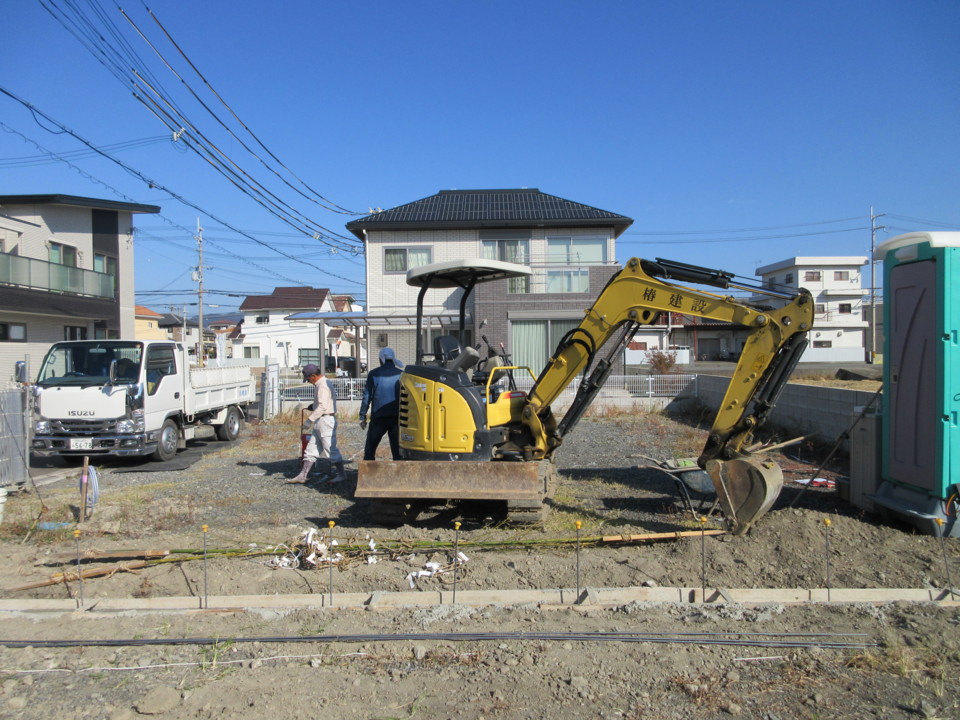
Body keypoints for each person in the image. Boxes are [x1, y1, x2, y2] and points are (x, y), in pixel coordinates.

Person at [288, 364, 346, 484]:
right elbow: (322, 404)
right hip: (322, 421)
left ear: (313, 376)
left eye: (308, 379)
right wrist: (312, 407)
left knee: (330, 449)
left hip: (325, 421)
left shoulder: (323, 386)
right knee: (311, 449)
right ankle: (302, 475)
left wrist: (310, 420)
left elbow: (323, 406)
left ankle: (342, 474)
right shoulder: (322, 384)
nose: (308, 381)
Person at [359, 347, 403, 461]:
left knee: (370, 450)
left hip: (378, 417)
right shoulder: (401, 374)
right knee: (397, 452)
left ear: (381, 359)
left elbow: (367, 396)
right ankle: (398, 476)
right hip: (396, 417)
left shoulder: (374, 374)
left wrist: (362, 415)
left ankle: (369, 474)